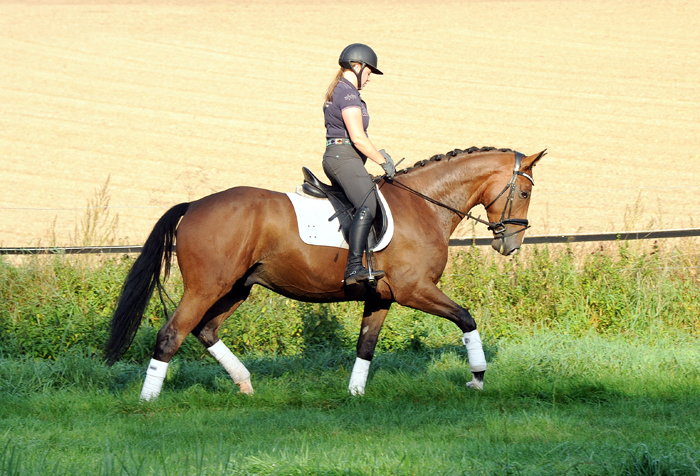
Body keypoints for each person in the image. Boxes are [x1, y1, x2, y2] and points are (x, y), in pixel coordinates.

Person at [322, 43, 396, 286]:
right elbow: (358, 138)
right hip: (343, 157)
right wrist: (383, 160)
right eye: (369, 72)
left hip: (343, 157)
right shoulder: (348, 93)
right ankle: (354, 267)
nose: (369, 78)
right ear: (357, 66)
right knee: (368, 202)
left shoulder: (341, 90)